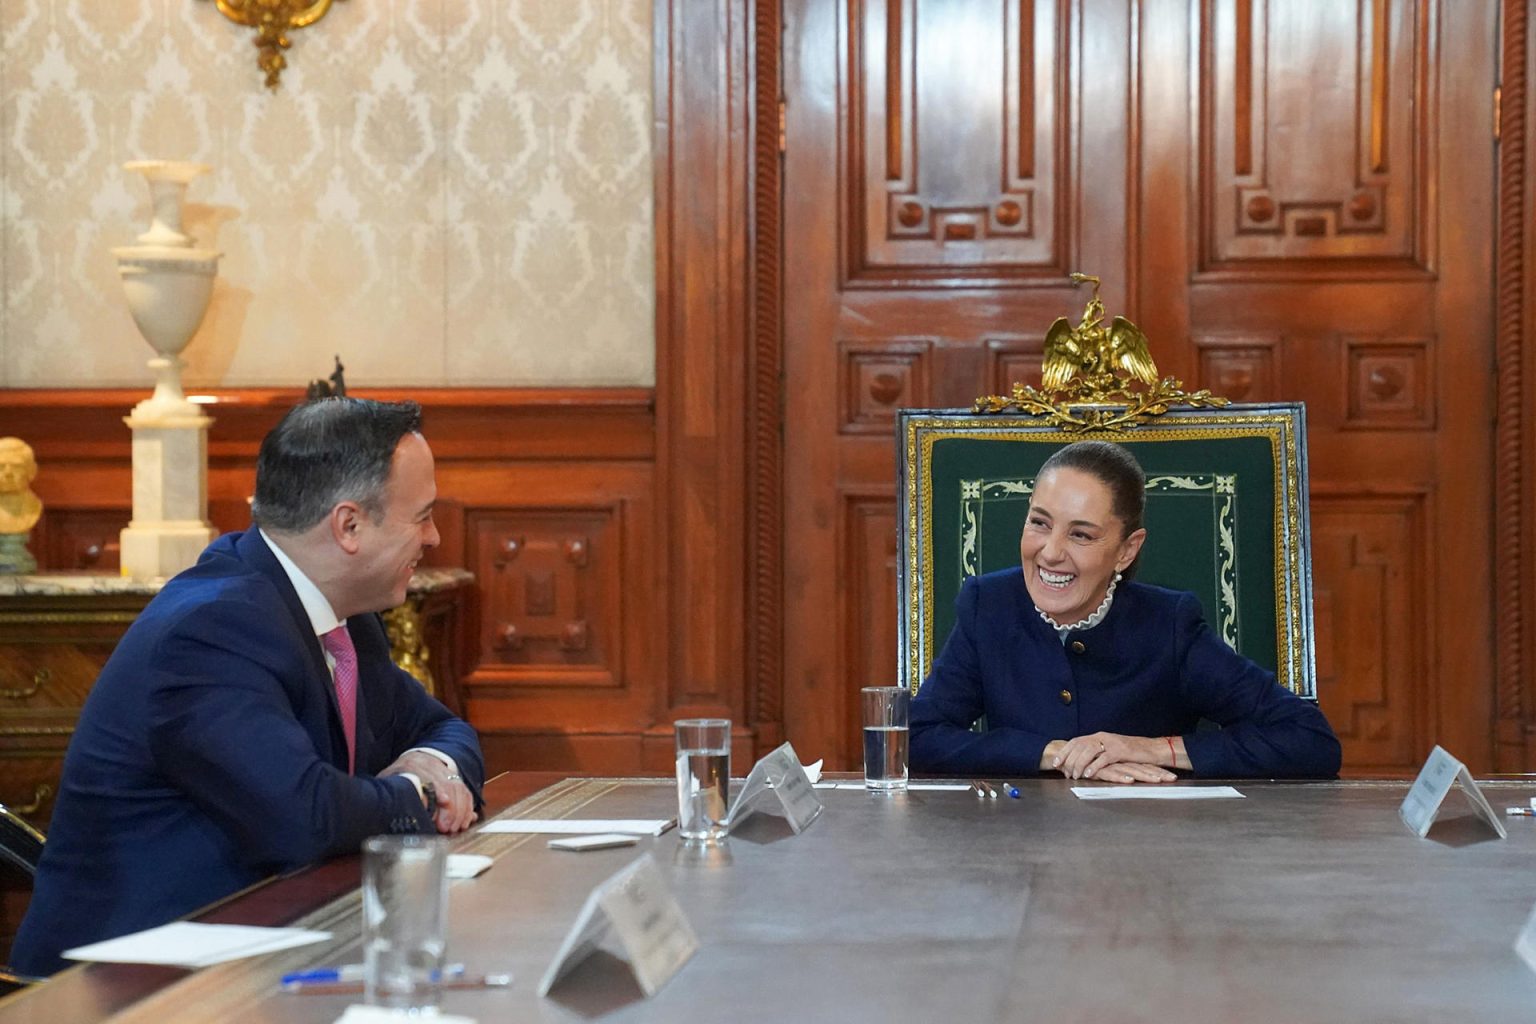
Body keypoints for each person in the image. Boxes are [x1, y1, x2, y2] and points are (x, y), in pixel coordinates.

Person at [13, 398, 485, 975]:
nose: (435, 537)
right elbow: (305, 817)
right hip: (122, 987)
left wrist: (431, 760)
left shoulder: (344, 615)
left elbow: (444, 728)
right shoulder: (211, 630)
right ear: (349, 525)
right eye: (423, 516)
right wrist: (423, 792)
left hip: (263, 952)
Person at [909, 440, 1341, 782]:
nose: (1050, 552)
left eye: (1081, 535)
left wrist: (1152, 749)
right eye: (1039, 523)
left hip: (1145, 855)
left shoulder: (1169, 624)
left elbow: (1309, 739)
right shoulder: (989, 605)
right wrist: (1054, 754)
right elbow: (913, 739)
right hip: (1019, 852)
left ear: (1126, 550)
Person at [0, 437, 42, 535]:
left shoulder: (34, 509)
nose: (8, 473)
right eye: (1, 466)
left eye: (16, 466)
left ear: (32, 471)